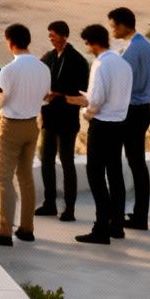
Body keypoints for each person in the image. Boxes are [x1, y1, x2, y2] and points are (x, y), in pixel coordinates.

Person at [0, 22, 48, 247]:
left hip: (10, 127)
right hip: (32, 125)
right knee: (26, 177)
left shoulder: (7, 71)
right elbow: (44, 95)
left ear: (10, 41)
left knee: (3, 179)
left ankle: (4, 230)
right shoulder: (43, 68)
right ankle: (27, 228)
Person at [67, 23, 132, 245]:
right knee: (115, 175)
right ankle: (117, 226)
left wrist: (86, 112)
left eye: (87, 44)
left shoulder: (100, 64)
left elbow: (96, 100)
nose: (88, 49)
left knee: (95, 175)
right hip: (119, 124)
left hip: (102, 125)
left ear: (92, 43)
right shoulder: (123, 64)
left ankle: (101, 227)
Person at [108, 7, 150, 231]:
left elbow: (124, 83)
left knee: (133, 164)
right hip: (144, 109)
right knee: (138, 164)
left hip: (132, 110)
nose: (112, 31)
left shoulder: (132, 51)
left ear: (122, 25)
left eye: (113, 26)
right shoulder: (148, 46)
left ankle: (137, 217)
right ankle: (140, 214)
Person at [35, 20, 87, 221]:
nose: (50, 38)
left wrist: (59, 94)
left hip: (67, 119)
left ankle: (70, 209)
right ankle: (50, 204)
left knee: (67, 162)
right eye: (49, 35)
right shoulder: (48, 57)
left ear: (63, 36)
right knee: (46, 160)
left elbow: (83, 91)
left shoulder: (78, 60)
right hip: (49, 118)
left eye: (53, 35)